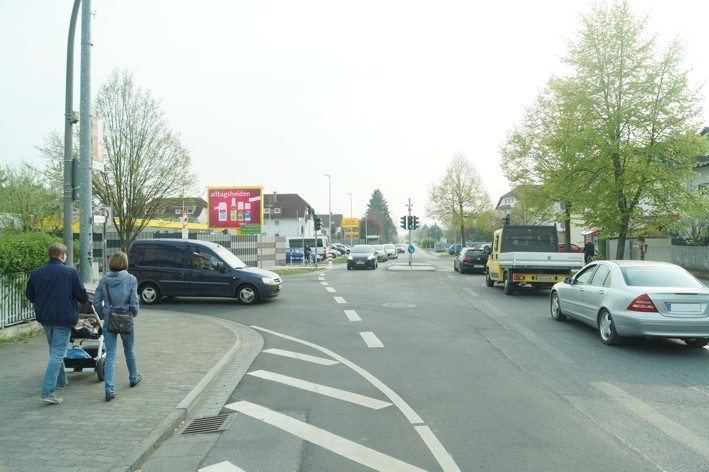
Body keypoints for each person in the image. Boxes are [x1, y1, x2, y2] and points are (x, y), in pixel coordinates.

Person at [25, 242, 88, 405]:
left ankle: (61, 382)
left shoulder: (36, 273)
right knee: (57, 353)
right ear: (62, 255)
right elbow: (82, 296)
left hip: (45, 317)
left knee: (54, 350)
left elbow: (30, 295)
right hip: (64, 318)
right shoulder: (70, 272)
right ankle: (47, 391)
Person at [93, 251, 141, 402]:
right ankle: (133, 377)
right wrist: (134, 312)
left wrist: (103, 314)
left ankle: (109, 389)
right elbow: (134, 301)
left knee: (111, 355)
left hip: (109, 319)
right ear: (125, 263)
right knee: (129, 349)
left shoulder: (104, 280)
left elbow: (96, 301)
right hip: (126, 317)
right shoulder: (131, 279)